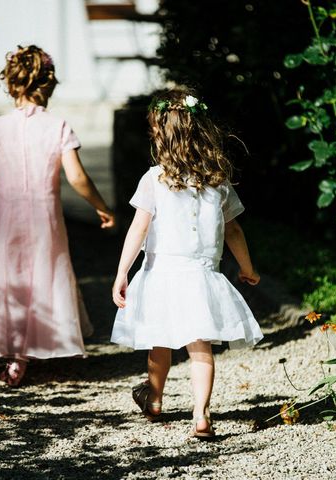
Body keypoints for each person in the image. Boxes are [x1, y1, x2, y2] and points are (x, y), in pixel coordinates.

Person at [0, 45, 115, 386]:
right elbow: (78, 177)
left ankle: (12, 353)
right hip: (44, 220)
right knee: (41, 275)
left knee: (4, 275)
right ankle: (28, 350)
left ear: (11, 84)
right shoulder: (57, 127)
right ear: (48, 85)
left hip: (4, 221)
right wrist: (101, 207)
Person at [111, 88, 263, 438]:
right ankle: (201, 415)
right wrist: (247, 268)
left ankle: (155, 399)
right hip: (202, 277)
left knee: (159, 343)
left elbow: (138, 229)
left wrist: (122, 271)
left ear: (160, 136)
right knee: (201, 350)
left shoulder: (154, 179)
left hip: (161, 276)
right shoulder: (216, 180)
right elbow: (234, 231)